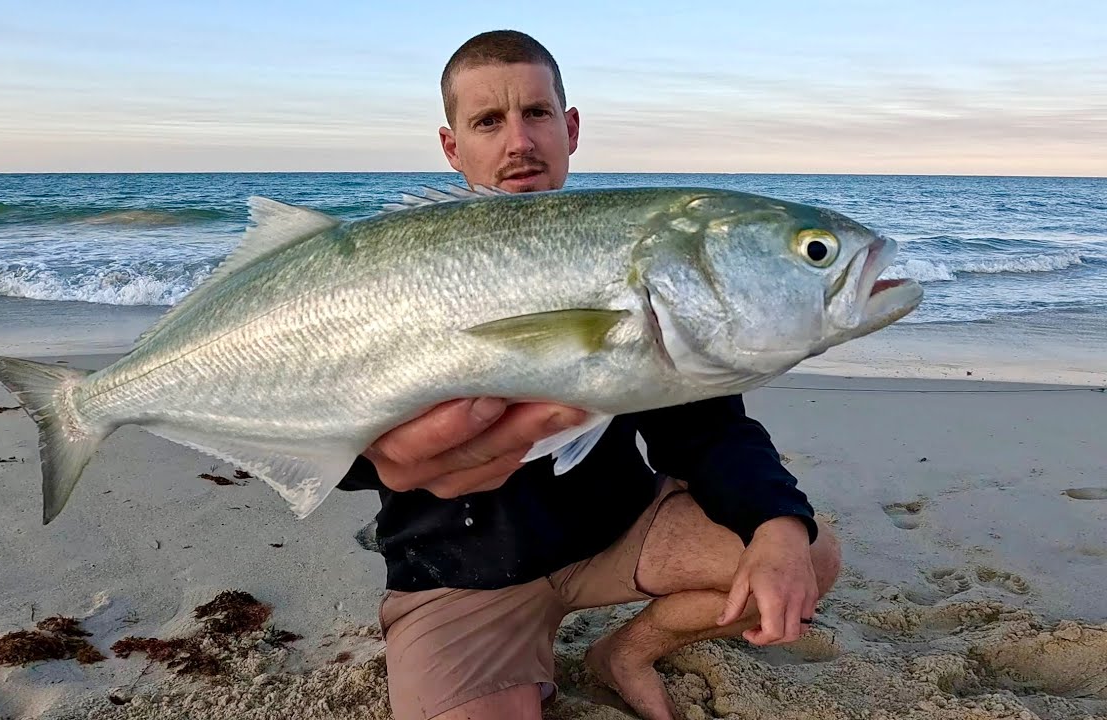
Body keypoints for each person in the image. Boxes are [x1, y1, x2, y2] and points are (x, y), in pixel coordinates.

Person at [337, 29, 842, 720]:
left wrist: (778, 524)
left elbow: (707, 428)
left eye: (537, 113)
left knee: (803, 551)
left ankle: (624, 653)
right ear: (453, 147)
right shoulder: (395, 269)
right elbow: (328, 433)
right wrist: (371, 460)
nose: (518, 141)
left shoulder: (629, 248)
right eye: (488, 121)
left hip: (617, 536)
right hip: (456, 575)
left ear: (569, 128)